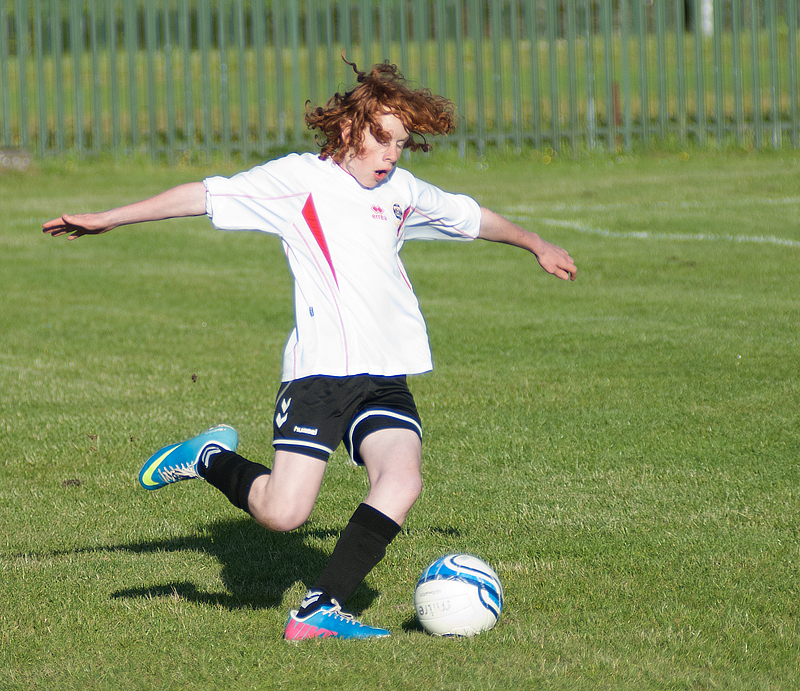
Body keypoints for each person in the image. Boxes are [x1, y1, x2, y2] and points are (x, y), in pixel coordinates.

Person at [43, 60, 576, 640]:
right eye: (381, 138)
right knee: (282, 513)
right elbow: (203, 194)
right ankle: (207, 458)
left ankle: (319, 610)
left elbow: (470, 217)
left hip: (385, 375)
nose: (391, 154)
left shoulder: (402, 191)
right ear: (349, 128)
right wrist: (110, 219)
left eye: (400, 142)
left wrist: (534, 243)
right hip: (320, 376)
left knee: (402, 480)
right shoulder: (298, 181)